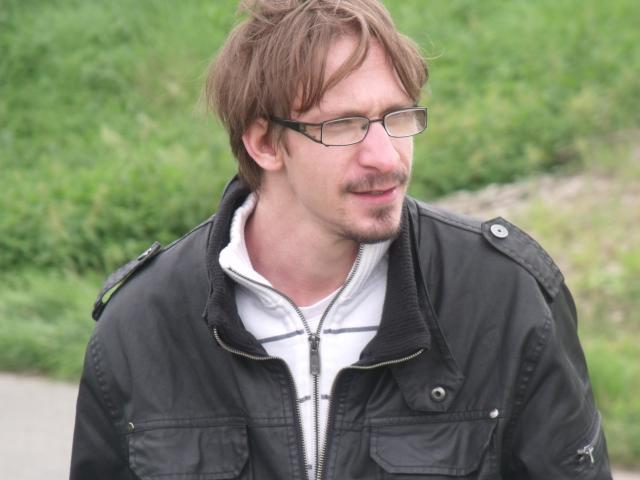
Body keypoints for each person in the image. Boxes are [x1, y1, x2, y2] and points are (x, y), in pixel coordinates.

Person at [70, 1, 612, 478]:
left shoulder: (505, 298)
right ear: (265, 143)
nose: (385, 157)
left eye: (396, 117)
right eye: (345, 126)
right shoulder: (139, 326)